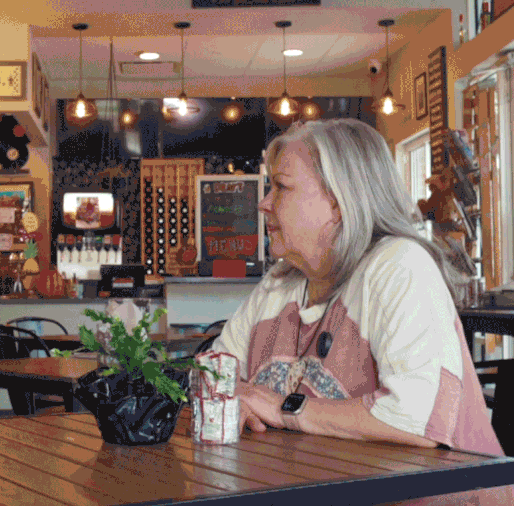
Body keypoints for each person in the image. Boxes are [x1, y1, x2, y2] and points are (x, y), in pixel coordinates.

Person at [208, 118, 510, 502]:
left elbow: (416, 420)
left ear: (338, 202)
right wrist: (237, 400)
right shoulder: (279, 284)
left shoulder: (399, 266)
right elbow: (211, 373)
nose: (263, 202)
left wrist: (282, 408)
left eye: (281, 187)